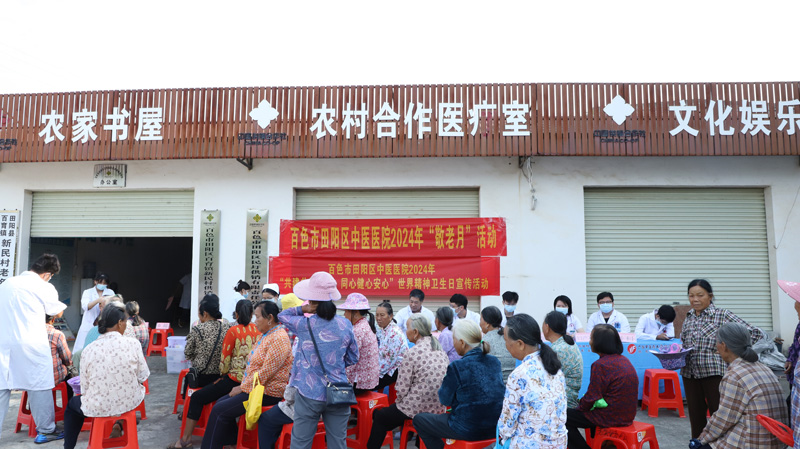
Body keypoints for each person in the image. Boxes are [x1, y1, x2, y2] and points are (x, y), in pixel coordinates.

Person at [278, 271, 358, 449]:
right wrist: (334, 366)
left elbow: (282, 316)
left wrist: (303, 309)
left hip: (309, 392)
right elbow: (354, 357)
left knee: (301, 443)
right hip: (338, 391)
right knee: (338, 443)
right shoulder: (346, 324)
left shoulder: (305, 324)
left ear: (312, 302)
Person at [681, 279, 766, 439]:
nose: (695, 299)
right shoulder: (689, 316)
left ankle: (722, 444)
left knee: (720, 415)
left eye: (700, 295)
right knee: (696, 417)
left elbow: (754, 333)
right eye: (691, 296)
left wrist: (734, 353)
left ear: (710, 296)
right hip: (690, 373)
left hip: (715, 374)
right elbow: (685, 343)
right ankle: (698, 444)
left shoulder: (722, 315)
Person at [201, 301, 292, 449]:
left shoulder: (279, 339)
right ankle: (231, 441)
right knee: (219, 404)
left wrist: (242, 388)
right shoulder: (267, 335)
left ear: (269, 318)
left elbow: (265, 373)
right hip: (255, 388)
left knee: (219, 410)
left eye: (257, 317)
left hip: (266, 392)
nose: (255, 321)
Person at [63, 302, 150, 449]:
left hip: (98, 405)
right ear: (119, 323)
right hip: (129, 401)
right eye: (125, 322)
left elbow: (84, 388)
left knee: (72, 406)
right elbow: (143, 376)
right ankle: (118, 425)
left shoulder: (88, 350)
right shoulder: (133, 344)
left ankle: (68, 447)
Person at [688, 323, 788, 449]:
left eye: (717, 343)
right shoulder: (763, 368)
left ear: (723, 346)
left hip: (754, 442)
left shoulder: (735, 375)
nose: (716, 348)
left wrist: (700, 440)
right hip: (777, 440)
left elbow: (723, 419)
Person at [0, 254, 66, 443]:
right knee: (39, 384)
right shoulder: (44, 286)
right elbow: (56, 312)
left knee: (1, 386)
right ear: (47, 274)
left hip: (3, 342)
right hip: (30, 343)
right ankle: (46, 430)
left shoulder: (6, 284)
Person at [413, 320, 505, 449]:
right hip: (494, 428)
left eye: (454, 340)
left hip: (467, 428)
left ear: (462, 342)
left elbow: (444, 400)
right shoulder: (494, 361)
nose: (453, 344)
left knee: (419, 420)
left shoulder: (457, 366)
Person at [366, 314, 449, 449]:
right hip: (438, 407)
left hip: (416, 407)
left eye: (407, 328)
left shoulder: (412, 352)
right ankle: (419, 443)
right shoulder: (440, 350)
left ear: (415, 332)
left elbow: (402, 388)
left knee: (380, 417)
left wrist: (399, 403)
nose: (405, 331)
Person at [171, 296, 237, 448]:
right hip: (222, 378)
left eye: (199, 313)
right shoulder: (227, 327)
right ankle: (231, 440)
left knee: (196, 397)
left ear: (205, 314)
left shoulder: (197, 329)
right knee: (221, 398)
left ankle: (186, 439)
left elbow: (187, 353)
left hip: (202, 378)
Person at [499, 314, 567, 448]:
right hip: (559, 444)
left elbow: (506, 426)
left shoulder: (519, 375)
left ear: (520, 344)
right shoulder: (555, 368)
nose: (506, 345)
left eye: (506, 341)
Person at [565, 324, 638, 449]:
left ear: (599, 343)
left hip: (609, 417)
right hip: (628, 415)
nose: (589, 342)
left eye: (591, 338)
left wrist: (578, 408)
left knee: (561, 416)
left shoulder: (601, 365)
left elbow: (592, 397)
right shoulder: (624, 360)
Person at [339, 293, 380, 393]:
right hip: (369, 380)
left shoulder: (358, 330)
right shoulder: (364, 324)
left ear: (355, 313)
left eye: (346, 311)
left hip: (360, 383)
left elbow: (351, 359)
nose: (344, 315)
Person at [543, 311, 582, 408]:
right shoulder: (565, 344)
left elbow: (546, 380)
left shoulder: (558, 350)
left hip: (562, 403)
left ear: (547, 327)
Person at [73, 272, 116, 353]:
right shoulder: (87, 292)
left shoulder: (110, 292)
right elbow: (85, 306)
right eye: (100, 282)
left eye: (104, 283)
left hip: (104, 323)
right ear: (95, 281)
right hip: (89, 323)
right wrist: (98, 300)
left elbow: (114, 306)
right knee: (84, 348)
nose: (102, 285)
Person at [374, 301, 408, 392]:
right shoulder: (382, 329)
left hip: (396, 370)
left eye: (382, 315)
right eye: (377, 315)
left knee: (365, 384)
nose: (378, 318)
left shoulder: (394, 333)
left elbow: (390, 361)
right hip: (386, 366)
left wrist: (375, 372)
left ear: (391, 316)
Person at [479, 306, 515, 382]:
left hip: (495, 385)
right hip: (512, 384)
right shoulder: (509, 337)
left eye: (480, 319)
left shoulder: (484, 341)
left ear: (487, 323)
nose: (479, 323)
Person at [45, 314, 73, 396]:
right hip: (53, 377)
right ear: (53, 320)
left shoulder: (29, 333)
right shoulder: (57, 334)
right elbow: (67, 358)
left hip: (32, 377)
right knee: (70, 375)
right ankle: (68, 405)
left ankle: (32, 406)